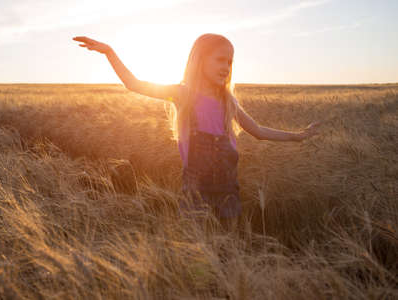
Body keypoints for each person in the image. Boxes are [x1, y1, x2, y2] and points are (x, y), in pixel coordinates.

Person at [72, 34, 321, 229]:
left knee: (228, 241)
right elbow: (134, 84)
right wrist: (109, 52)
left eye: (229, 61)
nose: (225, 66)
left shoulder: (229, 102)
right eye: (219, 59)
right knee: (199, 244)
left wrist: (297, 136)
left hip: (228, 189)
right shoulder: (184, 95)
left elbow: (257, 130)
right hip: (196, 189)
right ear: (200, 60)